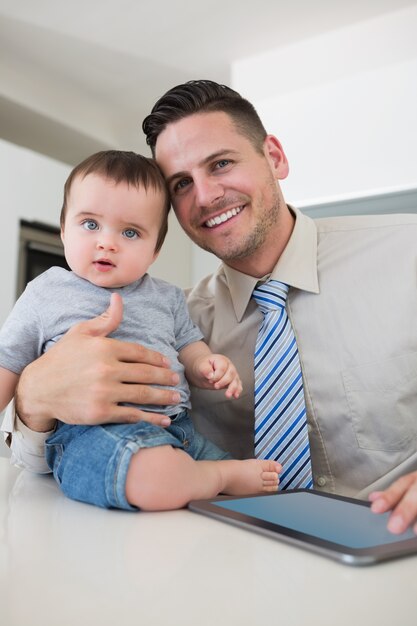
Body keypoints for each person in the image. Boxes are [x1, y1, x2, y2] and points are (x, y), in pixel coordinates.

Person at [2, 80, 417, 533]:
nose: (204, 196)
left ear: (274, 157)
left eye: (220, 164)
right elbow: (38, 464)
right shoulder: (182, 315)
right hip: (230, 565)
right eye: (181, 183)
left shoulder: (407, 254)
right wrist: (35, 396)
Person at [0, 149, 281, 510]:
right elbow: (8, 361)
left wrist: (207, 365)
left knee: (261, 489)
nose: (107, 242)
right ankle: (216, 476)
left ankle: (203, 472)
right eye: (89, 224)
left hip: (179, 428)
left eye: (130, 232)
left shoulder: (166, 296)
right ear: (63, 231)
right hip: (91, 431)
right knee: (153, 478)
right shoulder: (47, 292)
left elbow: (189, 345)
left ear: (154, 251)